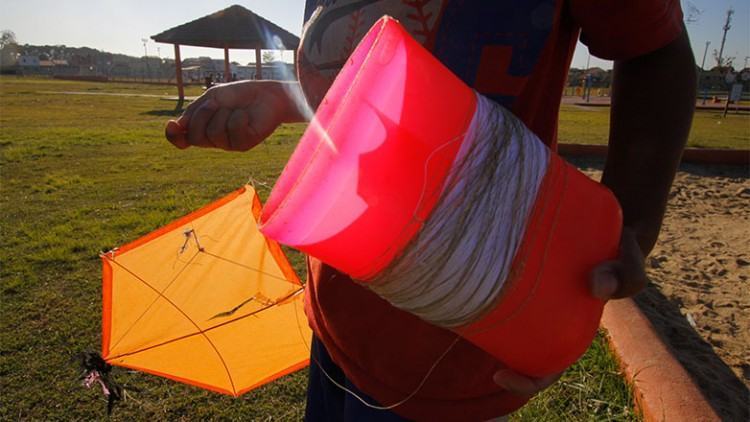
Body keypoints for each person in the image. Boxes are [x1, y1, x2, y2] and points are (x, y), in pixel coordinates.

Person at [165, 1, 696, 420]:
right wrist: (284, 97)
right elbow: (373, 84)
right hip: (337, 310)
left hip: (456, 347)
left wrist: (630, 227)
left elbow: (655, 50)